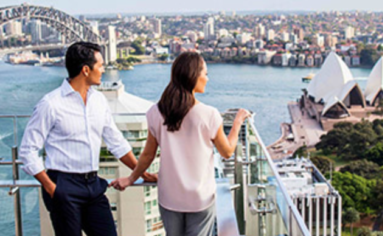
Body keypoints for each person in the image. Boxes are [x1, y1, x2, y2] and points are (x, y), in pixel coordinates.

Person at [19, 42, 156, 236]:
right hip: (63, 185)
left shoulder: (99, 101)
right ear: (85, 70)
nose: (103, 70)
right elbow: (27, 151)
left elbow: (116, 141)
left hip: (93, 184)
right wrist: (51, 188)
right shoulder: (51, 104)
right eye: (100, 65)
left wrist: (141, 173)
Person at [111, 52, 250, 236]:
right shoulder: (208, 114)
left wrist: (130, 179)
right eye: (205, 73)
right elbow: (227, 152)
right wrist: (238, 121)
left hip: (169, 196)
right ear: (194, 76)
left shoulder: (156, 112)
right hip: (199, 198)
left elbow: (147, 155)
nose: (208, 78)